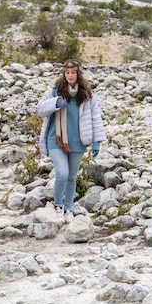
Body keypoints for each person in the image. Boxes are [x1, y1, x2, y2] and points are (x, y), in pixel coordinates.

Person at [36, 59, 107, 223]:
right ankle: (58, 206)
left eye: (73, 72)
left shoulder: (87, 95)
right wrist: (55, 103)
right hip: (56, 140)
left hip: (78, 141)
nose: (70, 75)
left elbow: (95, 118)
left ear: (78, 74)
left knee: (72, 177)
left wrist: (97, 141)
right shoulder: (54, 91)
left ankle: (69, 209)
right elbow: (40, 109)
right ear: (63, 74)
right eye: (67, 72)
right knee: (62, 173)